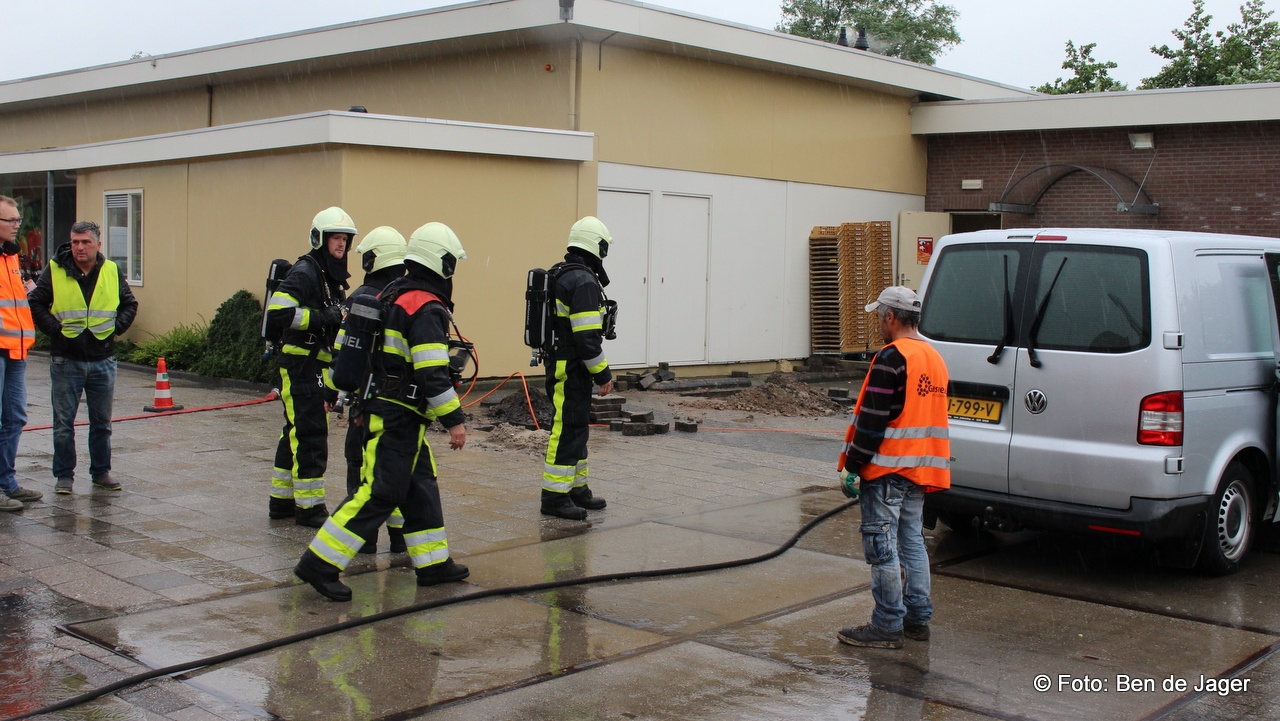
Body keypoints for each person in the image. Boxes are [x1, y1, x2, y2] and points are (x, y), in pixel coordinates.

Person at [294, 221, 470, 601]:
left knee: (420, 487)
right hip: (398, 417)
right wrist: (454, 420)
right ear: (442, 263)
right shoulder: (424, 306)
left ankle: (433, 564)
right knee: (379, 492)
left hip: (392, 411)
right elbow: (432, 372)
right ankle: (319, 563)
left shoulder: (393, 294)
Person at [836, 285, 950, 649]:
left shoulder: (892, 357)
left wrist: (853, 465)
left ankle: (886, 625)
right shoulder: (933, 357)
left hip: (886, 471)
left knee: (882, 548)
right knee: (912, 542)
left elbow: (873, 420)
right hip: (920, 470)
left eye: (879, 318)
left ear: (890, 317)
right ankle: (917, 619)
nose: (878, 326)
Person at [28, 220, 138, 496]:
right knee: (63, 424)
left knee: (102, 423)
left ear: (98, 244)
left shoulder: (111, 269)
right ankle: (64, 476)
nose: (79, 247)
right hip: (66, 359)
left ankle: (101, 472)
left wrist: (116, 329)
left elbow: (130, 303)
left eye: (85, 242)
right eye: (75, 242)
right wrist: (56, 331)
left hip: (103, 358)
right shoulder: (55, 269)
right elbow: (36, 302)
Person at [264, 207, 354, 528]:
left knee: (295, 431)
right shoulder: (306, 271)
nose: (341, 244)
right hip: (301, 362)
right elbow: (278, 312)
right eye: (335, 238)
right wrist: (322, 318)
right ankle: (310, 507)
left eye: (345, 239)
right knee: (310, 433)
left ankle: (281, 502)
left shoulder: (329, 275)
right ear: (320, 239)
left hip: (313, 362)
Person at [330, 225, 408, 554]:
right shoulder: (410, 297)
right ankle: (401, 539)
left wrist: (333, 389)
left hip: (366, 403)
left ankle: (364, 540)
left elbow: (343, 352)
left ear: (374, 259)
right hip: (403, 405)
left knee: (360, 465)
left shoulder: (362, 298)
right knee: (398, 469)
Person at [539, 216, 615, 520]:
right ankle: (555, 497)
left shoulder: (563, 273)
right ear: (597, 247)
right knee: (567, 428)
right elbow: (586, 337)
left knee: (577, 426)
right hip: (570, 367)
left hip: (564, 363)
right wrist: (603, 373)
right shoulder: (582, 281)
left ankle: (576, 488)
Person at [0, 196, 39, 511]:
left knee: (15, 417)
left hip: (16, 349)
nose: (17, 226)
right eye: (10, 220)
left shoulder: (11, 256)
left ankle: (7, 483)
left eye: (17, 220)